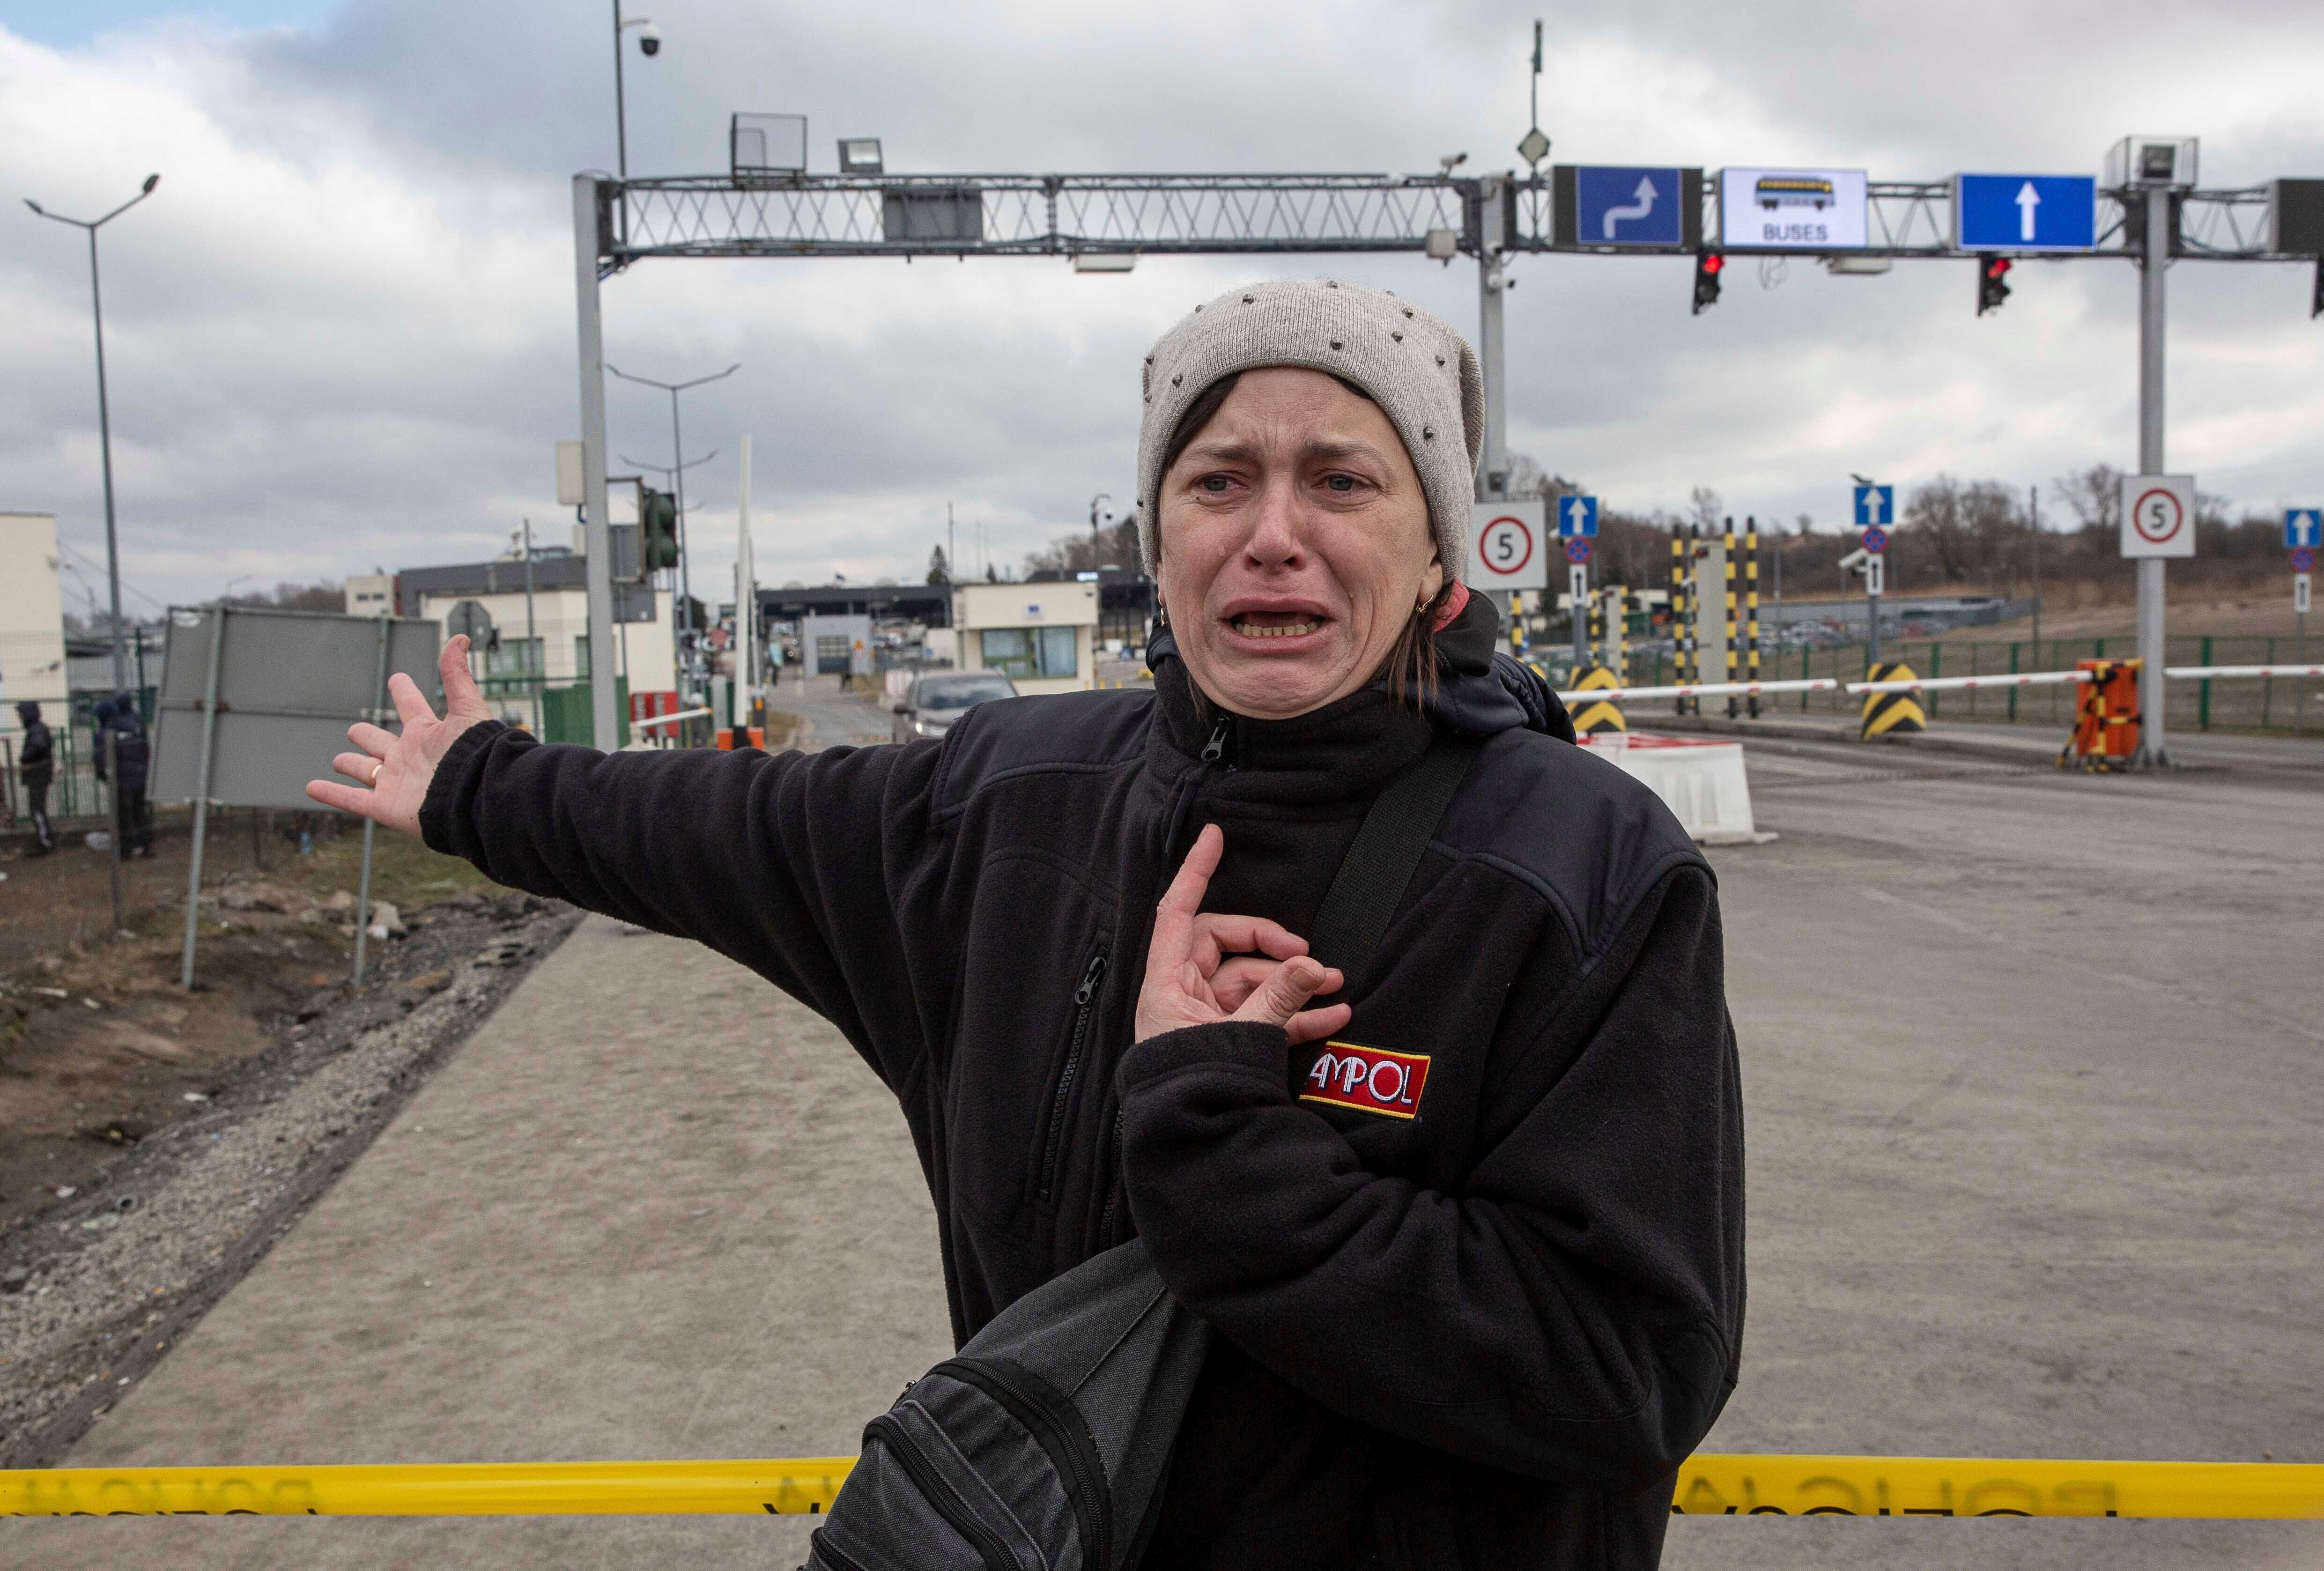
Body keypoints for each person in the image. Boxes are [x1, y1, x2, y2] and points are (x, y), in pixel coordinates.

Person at [312, 279, 1744, 1569]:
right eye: (1217, 480)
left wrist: (1218, 1142)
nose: (1271, 536)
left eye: (1342, 480)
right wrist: (479, 788)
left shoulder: (1583, 867)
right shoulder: (1009, 804)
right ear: (1156, 532)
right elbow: (711, 825)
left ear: (1437, 551)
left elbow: (1626, 1371)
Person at [106, 692, 151, 859]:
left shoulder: (114, 724)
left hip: (124, 778)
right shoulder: (138, 722)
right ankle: (145, 845)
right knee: (140, 812)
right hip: (141, 775)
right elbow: (145, 747)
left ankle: (127, 849)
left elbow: (112, 752)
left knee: (125, 814)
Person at [15, 700, 55, 856]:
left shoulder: (38, 730)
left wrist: (26, 759)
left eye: (21, 714)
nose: (20, 718)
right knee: (38, 810)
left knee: (37, 810)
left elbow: (38, 747)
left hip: (39, 775)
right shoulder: (37, 729)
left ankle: (45, 843)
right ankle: (45, 841)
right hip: (38, 775)